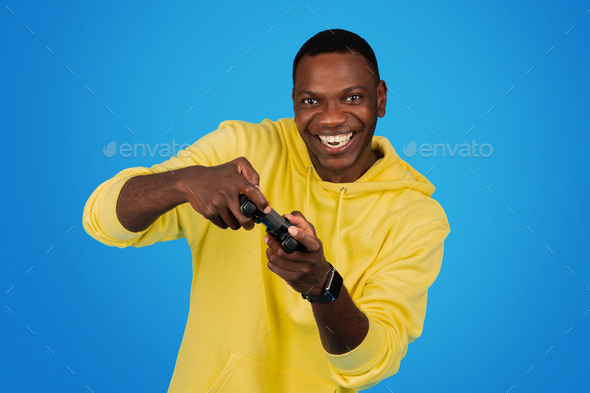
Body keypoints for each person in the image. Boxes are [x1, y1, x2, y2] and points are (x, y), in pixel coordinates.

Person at [82, 29, 450, 393]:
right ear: (293, 101)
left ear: (381, 99)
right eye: (311, 101)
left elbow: (370, 364)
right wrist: (185, 181)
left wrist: (322, 287)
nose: (331, 119)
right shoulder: (241, 147)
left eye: (352, 98)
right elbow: (101, 220)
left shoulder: (415, 217)